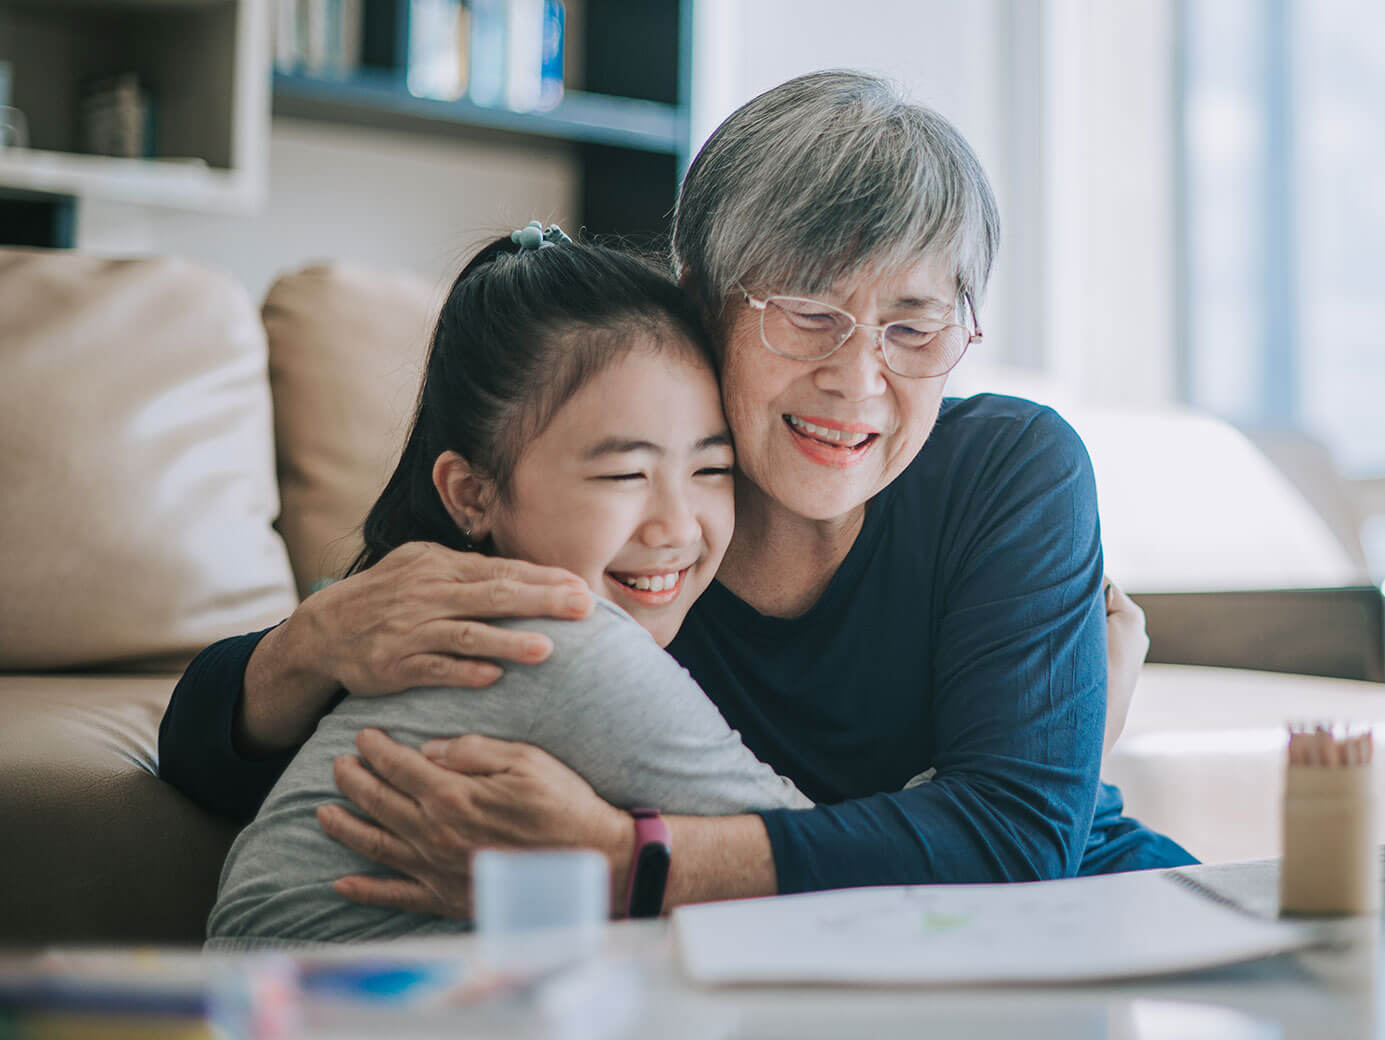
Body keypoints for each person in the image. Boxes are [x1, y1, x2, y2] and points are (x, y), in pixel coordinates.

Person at [160, 70, 1194, 921]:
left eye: (913, 327)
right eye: (806, 312)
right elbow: (216, 761)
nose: (859, 378)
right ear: (699, 297)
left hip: (1078, 915)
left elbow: (1020, 842)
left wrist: (627, 861)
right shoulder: (605, 517)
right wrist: (316, 637)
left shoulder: (1006, 469)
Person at [208, 229, 910, 946]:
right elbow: (819, 865)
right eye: (623, 475)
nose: (676, 526)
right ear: (472, 495)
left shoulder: (477, 609)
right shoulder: (566, 639)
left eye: (710, 470)